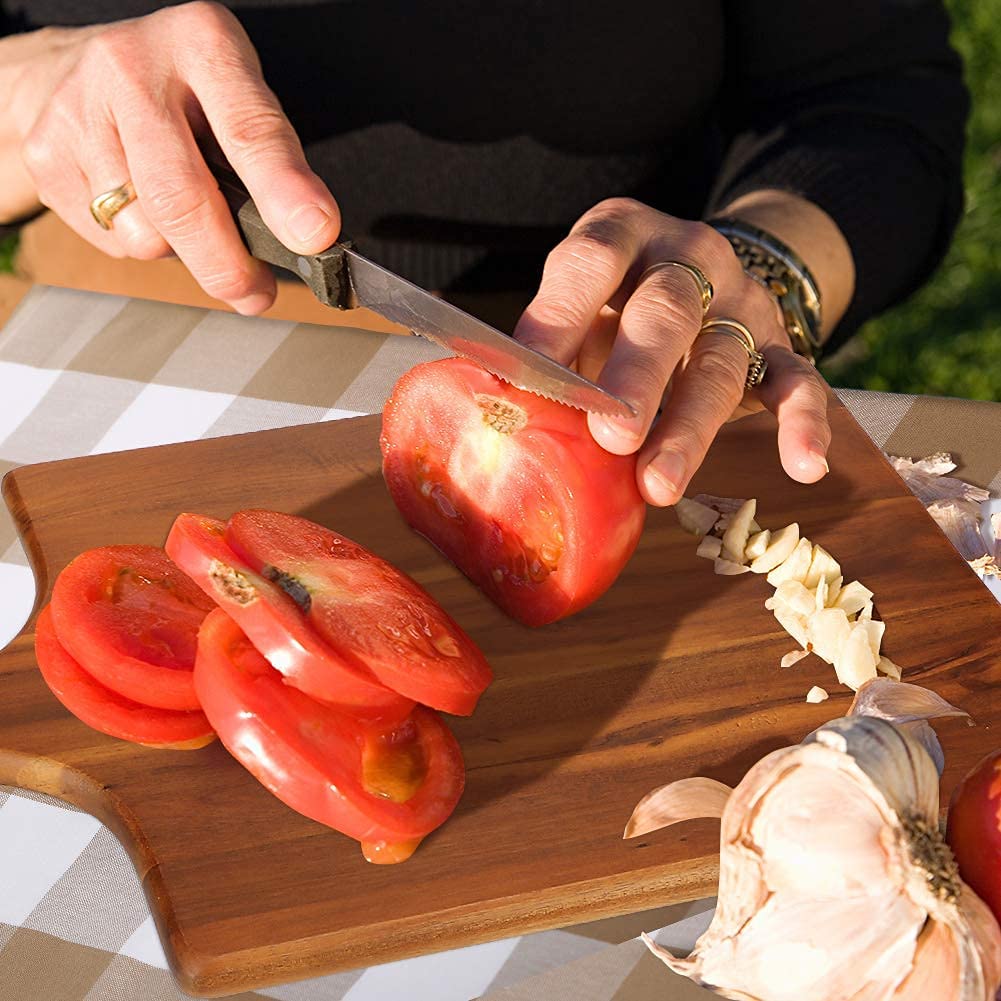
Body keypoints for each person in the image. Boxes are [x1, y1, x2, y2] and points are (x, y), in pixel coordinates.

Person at [0, 1, 968, 506]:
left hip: (607, 363)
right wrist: (26, 93)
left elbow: (871, 97)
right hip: (119, 344)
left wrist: (759, 265)